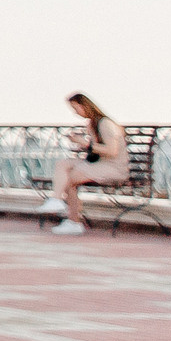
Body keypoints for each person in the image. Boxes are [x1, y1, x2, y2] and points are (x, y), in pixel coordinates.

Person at [37, 93, 129, 235]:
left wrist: (85, 143)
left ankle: (73, 221)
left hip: (114, 168)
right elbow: (95, 152)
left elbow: (112, 151)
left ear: (84, 105)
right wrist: (83, 144)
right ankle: (56, 199)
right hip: (100, 163)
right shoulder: (92, 124)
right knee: (63, 164)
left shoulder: (105, 124)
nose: (75, 113)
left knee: (71, 178)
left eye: (75, 108)